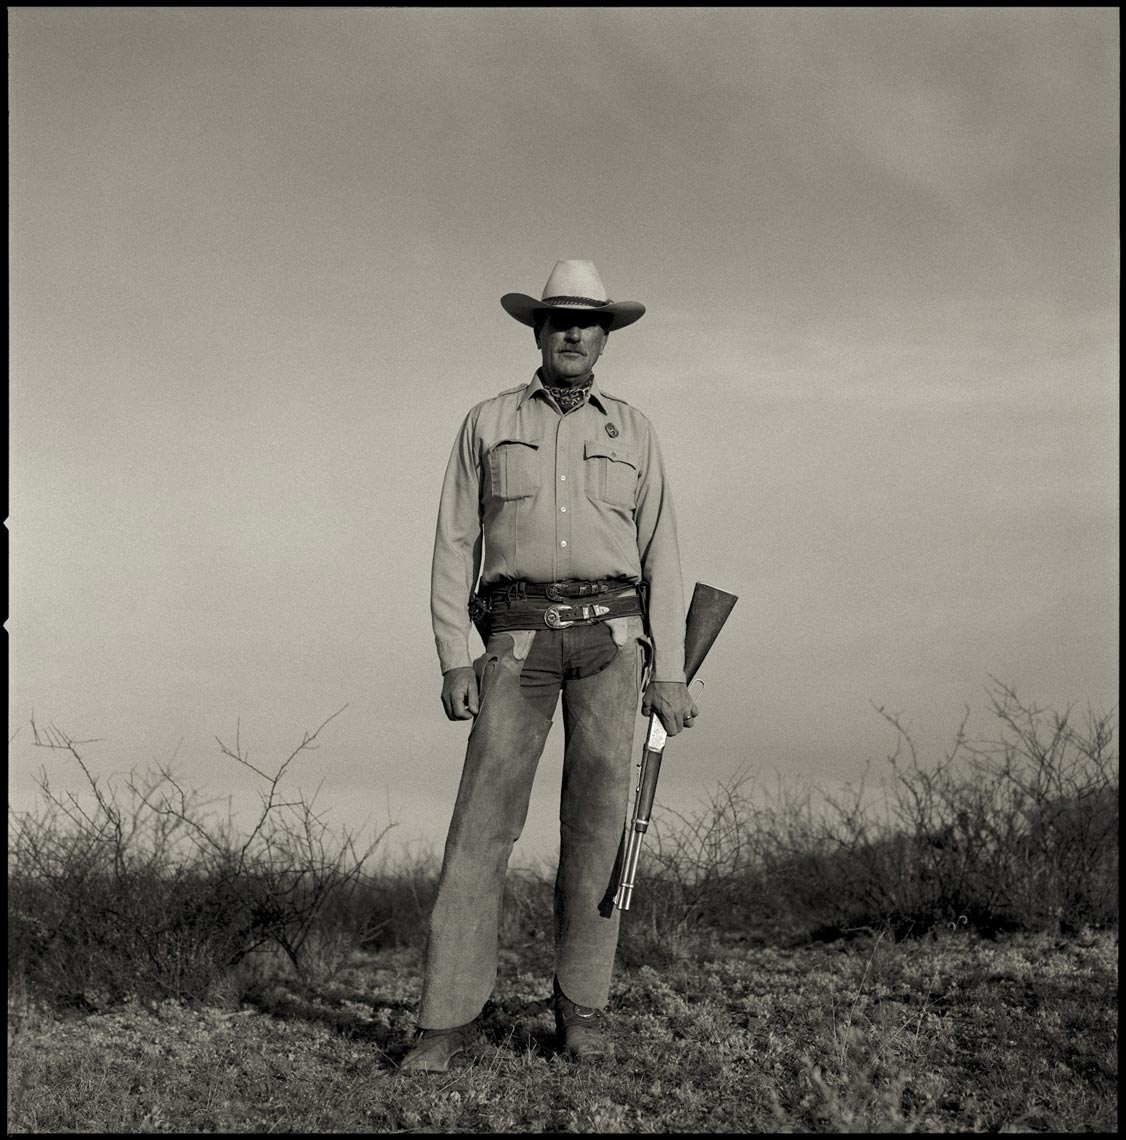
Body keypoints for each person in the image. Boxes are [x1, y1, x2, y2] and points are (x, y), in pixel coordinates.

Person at [399, 260, 697, 1073]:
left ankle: (582, 1012)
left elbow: (662, 550)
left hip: (611, 642)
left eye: (588, 321)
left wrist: (668, 670)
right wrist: (450, 654)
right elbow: (453, 541)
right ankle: (444, 1023)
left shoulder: (634, 431)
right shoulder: (487, 422)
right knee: (480, 828)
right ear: (537, 329)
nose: (573, 332)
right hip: (515, 641)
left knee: (600, 829)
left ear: (605, 337)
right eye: (559, 318)